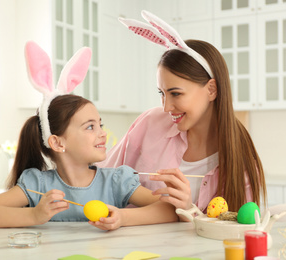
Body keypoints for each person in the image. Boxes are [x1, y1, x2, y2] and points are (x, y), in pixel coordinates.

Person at [0, 41, 178, 230]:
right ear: (57, 142)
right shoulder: (37, 185)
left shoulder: (115, 182)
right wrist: (34, 215)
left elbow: (170, 210)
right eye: (90, 127)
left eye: (100, 125)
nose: (103, 134)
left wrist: (123, 218)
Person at [97, 10, 267, 214]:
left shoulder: (240, 156)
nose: (166, 106)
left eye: (176, 94)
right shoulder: (150, 122)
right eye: (162, 93)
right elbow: (103, 177)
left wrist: (189, 211)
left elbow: (238, 230)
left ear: (211, 90)